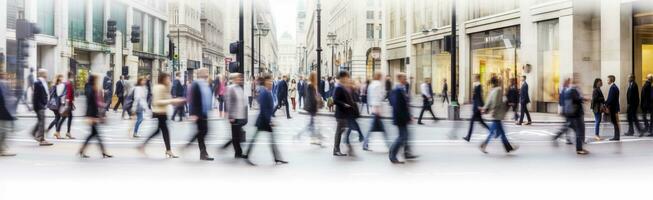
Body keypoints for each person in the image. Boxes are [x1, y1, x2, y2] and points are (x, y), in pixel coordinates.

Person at [245, 74, 288, 166]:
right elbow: (264, 108)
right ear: (265, 82)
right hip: (263, 120)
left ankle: (276, 158)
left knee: (269, 140)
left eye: (271, 81)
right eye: (269, 81)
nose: (271, 83)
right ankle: (248, 155)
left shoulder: (267, 91)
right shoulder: (264, 92)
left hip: (264, 120)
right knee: (259, 139)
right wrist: (270, 120)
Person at [139, 73, 184, 158]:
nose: (169, 80)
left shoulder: (162, 87)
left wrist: (170, 93)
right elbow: (157, 101)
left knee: (161, 131)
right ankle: (167, 150)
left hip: (162, 112)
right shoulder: (160, 87)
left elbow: (166, 97)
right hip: (160, 112)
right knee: (163, 131)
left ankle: (167, 150)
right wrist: (172, 101)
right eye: (168, 79)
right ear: (163, 79)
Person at [479, 76, 518, 154]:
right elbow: (496, 102)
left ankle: (508, 147)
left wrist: (485, 108)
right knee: (493, 132)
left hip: (495, 113)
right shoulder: (499, 90)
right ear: (497, 82)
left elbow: (489, 101)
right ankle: (484, 144)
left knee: (501, 132)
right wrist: (494, 110)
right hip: (497, 114)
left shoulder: (492, 90)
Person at [78, 74, 112, 158]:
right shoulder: (91, 88)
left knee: (93, 134)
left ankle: (82, 150)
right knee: (95, 134)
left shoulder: (90, 87)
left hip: (92, 113)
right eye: (97, 79)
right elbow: (92, 102)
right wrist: (102, 105)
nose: (98, 81)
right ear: (94, 80)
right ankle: (103, 151)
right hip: (92, 114)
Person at [388, 73, 418, 164]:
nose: (406, 80)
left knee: (403, 136)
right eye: (404, 78)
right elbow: (398, 106)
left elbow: (405, 104)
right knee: (402, 137)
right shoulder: (397, 90)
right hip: (400, 118)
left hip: (402, 118)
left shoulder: (401, 89)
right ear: (400, 79)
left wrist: (409, 116)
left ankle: (401, 153)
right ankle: (392, 154)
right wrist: (407, 117)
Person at [186, 69, 215, 161]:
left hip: (204, 112)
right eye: (206, 72)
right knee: (203, 132)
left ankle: (202, 153)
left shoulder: (205, 83)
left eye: (207, 71)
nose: (207, 73)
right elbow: (192, 99)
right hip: (198, 113)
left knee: (202, 132)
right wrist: (193, 113)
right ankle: (201, 152)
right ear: (201, 74)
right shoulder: (196, 84)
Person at [220, 73, 248, 159]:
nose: (240, 80)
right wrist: (231, 116)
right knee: (236, 136)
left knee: (237, 135)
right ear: (234, 79)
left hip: (241, 116)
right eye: (239, 78)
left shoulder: (240, 88)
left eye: (241, 78)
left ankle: (232, 149)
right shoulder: (230, 88)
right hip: (234, 116)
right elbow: (228, 102)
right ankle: (238, 153)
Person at [332, 71, 357, 156]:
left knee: (341, 131)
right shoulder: (338, 87)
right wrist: (344, 104)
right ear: (342, 77)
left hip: (344, 113)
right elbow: (335, 100)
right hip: (341, 113)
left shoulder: (342, 86)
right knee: (339, 132)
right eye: (346, 77)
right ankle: (336, 150)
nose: (347, 78)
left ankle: (338, 149)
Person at [563, 74, 589, 155]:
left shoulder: (571, 89)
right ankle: (579, 149)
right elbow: (577, 99)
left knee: (577, 130)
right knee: (579, 131)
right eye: (577, 79)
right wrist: (585, 99)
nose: (578, 80)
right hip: (577, 114)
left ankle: (579, 148)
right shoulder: (573, 89)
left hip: (574, 114)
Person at [363, 72, 389, 151]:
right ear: (379, 77)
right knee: (382, 130)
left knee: (373, 129)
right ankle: (389, 145)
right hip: (377, 109)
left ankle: (365, 144)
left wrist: (371, 107)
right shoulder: (378, 84)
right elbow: (379, 96)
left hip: (373, 108)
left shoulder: (371, 84)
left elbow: (369, 97)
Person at [297, 72, 323, 146]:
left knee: (311, 124)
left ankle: (311, 137)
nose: (316, 77)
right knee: (311, 124)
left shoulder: (313, 85)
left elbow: (315, 95)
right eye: (315, 76)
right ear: (313, 77)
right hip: (311, 107)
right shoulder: (310, 85)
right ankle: (312, 138)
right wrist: (316, 100)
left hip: (313, 107)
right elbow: (310, 97)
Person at [463, 74, 490, 142]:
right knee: (482, 122)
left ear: (477, 78)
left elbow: (479, 97)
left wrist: (480, 106)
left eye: (474, 78)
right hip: (477, 107)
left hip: (477, 108)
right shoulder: (476, 85)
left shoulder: (479, 86)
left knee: (472, 122)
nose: (473, 79)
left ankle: (468, 137)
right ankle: (492, 131)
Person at [31, 69, 53, 146]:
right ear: (43, 74)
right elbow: (35, 96)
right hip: (39, 106)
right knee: (42, 122)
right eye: (46, 73)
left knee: (40, 121)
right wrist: (37, 106)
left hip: (42, 105)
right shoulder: (37, 83)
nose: (47, 74)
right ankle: (41, 139)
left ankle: (34, 133)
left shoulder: (43, 82)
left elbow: (46, 93)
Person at [0, 72, 17, 156]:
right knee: (4, 131)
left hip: (4, 113)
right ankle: (2, 150)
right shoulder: (2, 84)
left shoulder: (3, 84)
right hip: (4, 113)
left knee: (4, 130)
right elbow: (4, 100)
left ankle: (2, 149)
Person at [553, 78, 573, 145]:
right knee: (568, 125)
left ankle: (567, 138)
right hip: (567, 111)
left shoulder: (564, 90)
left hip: (566, 110)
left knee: (568, 125)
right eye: (569, 82)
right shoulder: (565, 90)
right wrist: (562, 109)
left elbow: (560, 101)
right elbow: (562, 101)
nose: (570, 83)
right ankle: (557, 137)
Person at [57, 72, 76, 139]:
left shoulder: (69, 83)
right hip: (68, 103)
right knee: (64, 118)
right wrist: (67, 103)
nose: (73, 78)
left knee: (69, 117)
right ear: (71, 76)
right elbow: (68, 93)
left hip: (69, 103)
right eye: (73, 76)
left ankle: (68, 132)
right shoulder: (68, 83)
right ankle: (58, 132)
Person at [46, 74, 65, 139]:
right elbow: (59, 94)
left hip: (54, 104)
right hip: (57, 104)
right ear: (59, 78)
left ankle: (56, 133)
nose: (63, 78)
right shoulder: (58, 85)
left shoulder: (53, 85)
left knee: (57, 117)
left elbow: (51, 94)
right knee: (58, 118)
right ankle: (51, 130)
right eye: (62, 77)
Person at [605, 75, 621, 141]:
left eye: (608, 80)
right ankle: (616, 136)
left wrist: (605, 104)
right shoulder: (614, 87)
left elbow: (611, 99)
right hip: (615, 107)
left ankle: (616, 137)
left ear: (611, 80)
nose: (607, 81)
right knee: (615, 122)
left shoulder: (613, 88)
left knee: (615, 122)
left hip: (613, 108)